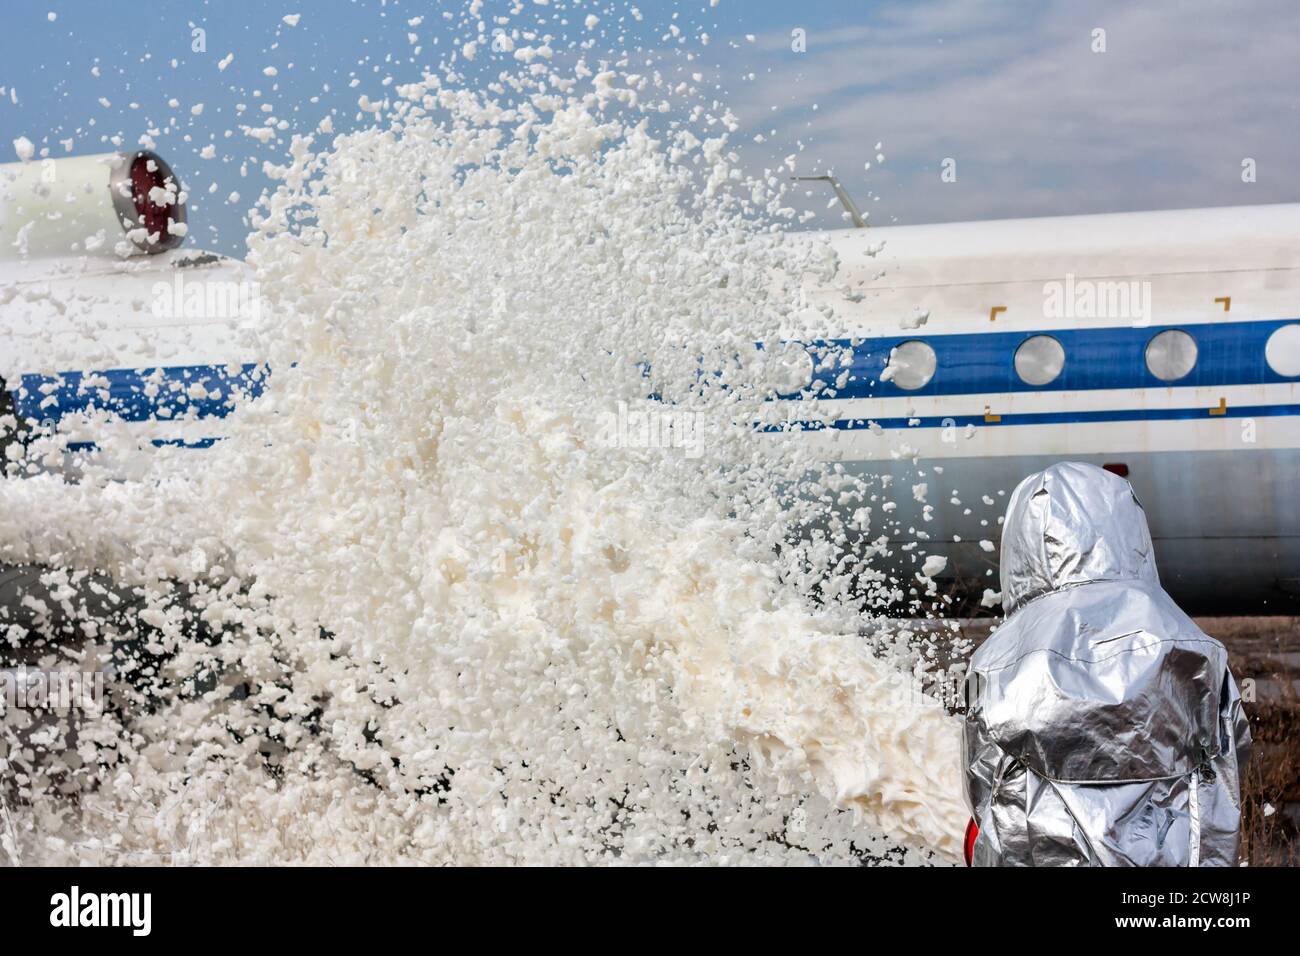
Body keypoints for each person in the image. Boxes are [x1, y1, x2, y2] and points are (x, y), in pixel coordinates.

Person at [962, 462, 1251, 866]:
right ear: (1128, 530)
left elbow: (984, 788)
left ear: (1024, 544)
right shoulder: (1193, 643)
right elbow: (1229, 759)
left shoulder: (997, 660)